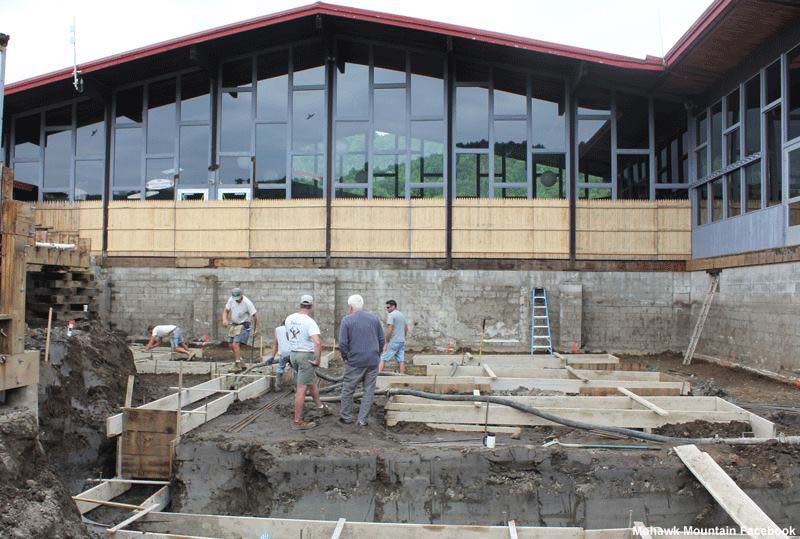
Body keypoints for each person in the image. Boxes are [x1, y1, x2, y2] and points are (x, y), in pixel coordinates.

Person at [285, 294, 332, 430]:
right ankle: (297, 422)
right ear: (311, 306)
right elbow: (318, 343)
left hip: (293, 355)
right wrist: (317, 360)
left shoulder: (290, 318)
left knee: (310, 382)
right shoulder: (309, 322)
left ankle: (320, 407)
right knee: (301, 390)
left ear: (300, 305)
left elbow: (288, 335)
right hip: (305, 356)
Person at [338, 294, 384, 427]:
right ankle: (362, 420)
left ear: (350, 307)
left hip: (355, 361)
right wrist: (377, 354)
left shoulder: (347, 320)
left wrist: (346, 357)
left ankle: (346, 417)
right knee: (369, 390)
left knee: (348, 389)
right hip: (372, 360)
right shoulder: (374, 319)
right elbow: (381, 340)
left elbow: (342, 343)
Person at [222, 287, 259, 369]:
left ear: (242, 295)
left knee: (236, 343)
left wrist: (256, 329)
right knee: (231, 345)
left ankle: (237, 364)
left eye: (238, 299)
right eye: (235, 299)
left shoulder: (247, 303)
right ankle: (241, 361)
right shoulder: (231, 299)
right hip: (234, 325)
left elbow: (255, 316)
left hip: (244, 325)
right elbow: (226, 311)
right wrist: (224, 319)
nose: (237, 300)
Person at [265, 319, 296, 390]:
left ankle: (278, 386)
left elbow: (275, 344)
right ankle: (296, 387)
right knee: (295, 369)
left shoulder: (277, 329)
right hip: (293, 352)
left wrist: (272, 357)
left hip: (283, 353)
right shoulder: (293, 328)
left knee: (280, 368)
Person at [379, 299, 408, 374]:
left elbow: (390, 329)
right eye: (387, 307)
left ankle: (377, 376)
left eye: (388, 307)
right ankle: (402, 376)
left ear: (393, 306)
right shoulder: (401, 315)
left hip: (394, 341)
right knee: (401, 360)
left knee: (383, 358)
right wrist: (403, 337)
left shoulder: (391, 315)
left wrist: (386, 342)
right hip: (401, 341)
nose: (387, 309)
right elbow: (406, 328)